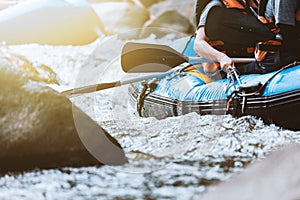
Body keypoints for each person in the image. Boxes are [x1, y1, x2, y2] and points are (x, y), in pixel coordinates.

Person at [194, 0, 300, 77]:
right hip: (227, 68)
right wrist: (221, 58)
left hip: (251, 59)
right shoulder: (215, 7)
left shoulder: (248, 6)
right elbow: (198, 44)